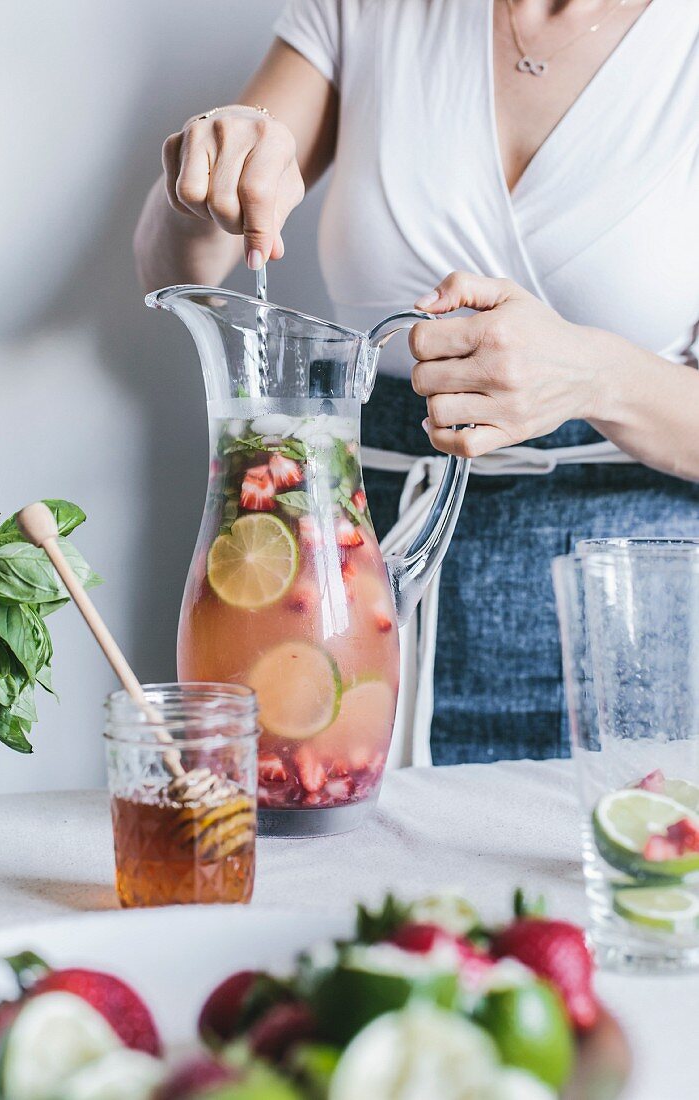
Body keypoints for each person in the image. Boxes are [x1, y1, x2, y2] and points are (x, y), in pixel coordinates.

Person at [134, 0, 699, 766]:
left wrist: (596, 376)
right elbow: (178, 271)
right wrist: (206, 176)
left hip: (635, 618)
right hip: (351, 603)